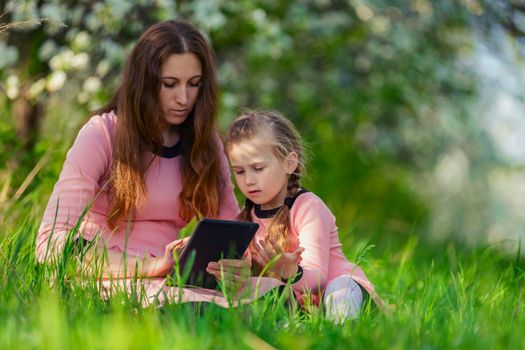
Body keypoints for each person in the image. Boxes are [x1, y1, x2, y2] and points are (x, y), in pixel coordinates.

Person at [36, 20, 283, 307]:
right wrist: (151, 266)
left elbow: (230, 230)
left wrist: (237, 266)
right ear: (144, 81)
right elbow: (51, 243)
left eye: (194, 85)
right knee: (183, 303)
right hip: (106, 275)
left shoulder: (205, 143)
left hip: (174, 278)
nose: (183, 99)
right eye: (169, 85)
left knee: (273, 290)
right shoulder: (101, 134)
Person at [223, 109, 387, 322]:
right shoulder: (244, 219)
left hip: (340, 291)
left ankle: (340, 334)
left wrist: (289, 270)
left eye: (258, 168)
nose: (249, 180)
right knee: (259, 289)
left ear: (289, 163)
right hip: (303, 305)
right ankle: (295, 328)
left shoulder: (308, 206)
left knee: (340, 288)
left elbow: (317, 279)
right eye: (240, 171)